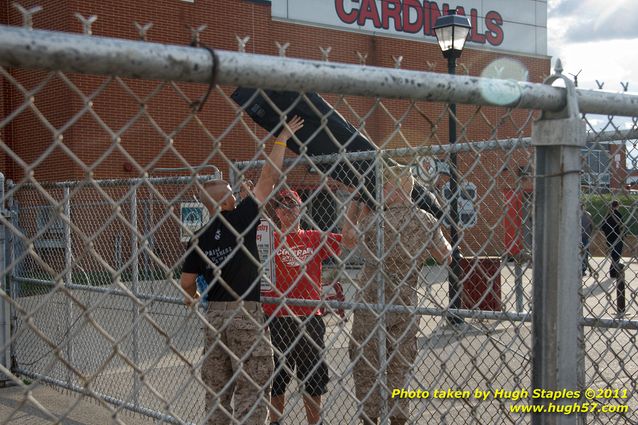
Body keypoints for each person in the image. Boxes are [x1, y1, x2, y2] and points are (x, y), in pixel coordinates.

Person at [179, 116, 304, 425]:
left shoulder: (200, 236)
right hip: (245, 313)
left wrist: (192, 296)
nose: (236, 191)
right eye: (231, 189)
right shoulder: (241, 218)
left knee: (217, 390)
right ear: (223, 199)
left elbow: (186, 282)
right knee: (252, 387)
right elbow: (268, 177)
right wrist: (282, 137)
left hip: (215, 315)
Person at [344, 165, 452, 425]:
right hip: (405, 304)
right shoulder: (426, 220)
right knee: (399, 369)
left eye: (383, 186)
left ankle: (370, 418)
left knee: (367, 368)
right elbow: (445, 255)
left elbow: (348, 237)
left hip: (371, 305)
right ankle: (398, 419)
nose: (379, 191)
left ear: (396, 188)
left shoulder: (373, 221)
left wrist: (357, 205)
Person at [262, 189, 358, 425]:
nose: (288, 210)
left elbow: (348, 240)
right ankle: (275, 421)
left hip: (309, 316)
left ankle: (314, 422)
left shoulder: (314, 237)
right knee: (278, 374)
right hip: (278, 316)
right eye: (282, 206)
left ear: (301, 209)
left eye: (293, 205)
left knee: (312, 375)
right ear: (276, 212)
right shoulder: (271, 238)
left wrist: (356, 207)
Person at [602, 200, 625, 278]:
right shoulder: (618, 215)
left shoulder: (607, 215)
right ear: (617, 206)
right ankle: (613, 272)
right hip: (618, 238)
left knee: (614, 255)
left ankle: (613, 271)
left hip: (609, 238)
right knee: (616, 256)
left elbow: (603, 226)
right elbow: (622, 227)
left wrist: (607, 234)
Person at [581, 205, 593, 276]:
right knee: (585, 253)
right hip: (585, 236)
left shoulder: (576, 214)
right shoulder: (588, 215)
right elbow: (591, 226)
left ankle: (582, 268)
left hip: (578, 236)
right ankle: (583, 268)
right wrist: (589, 233)